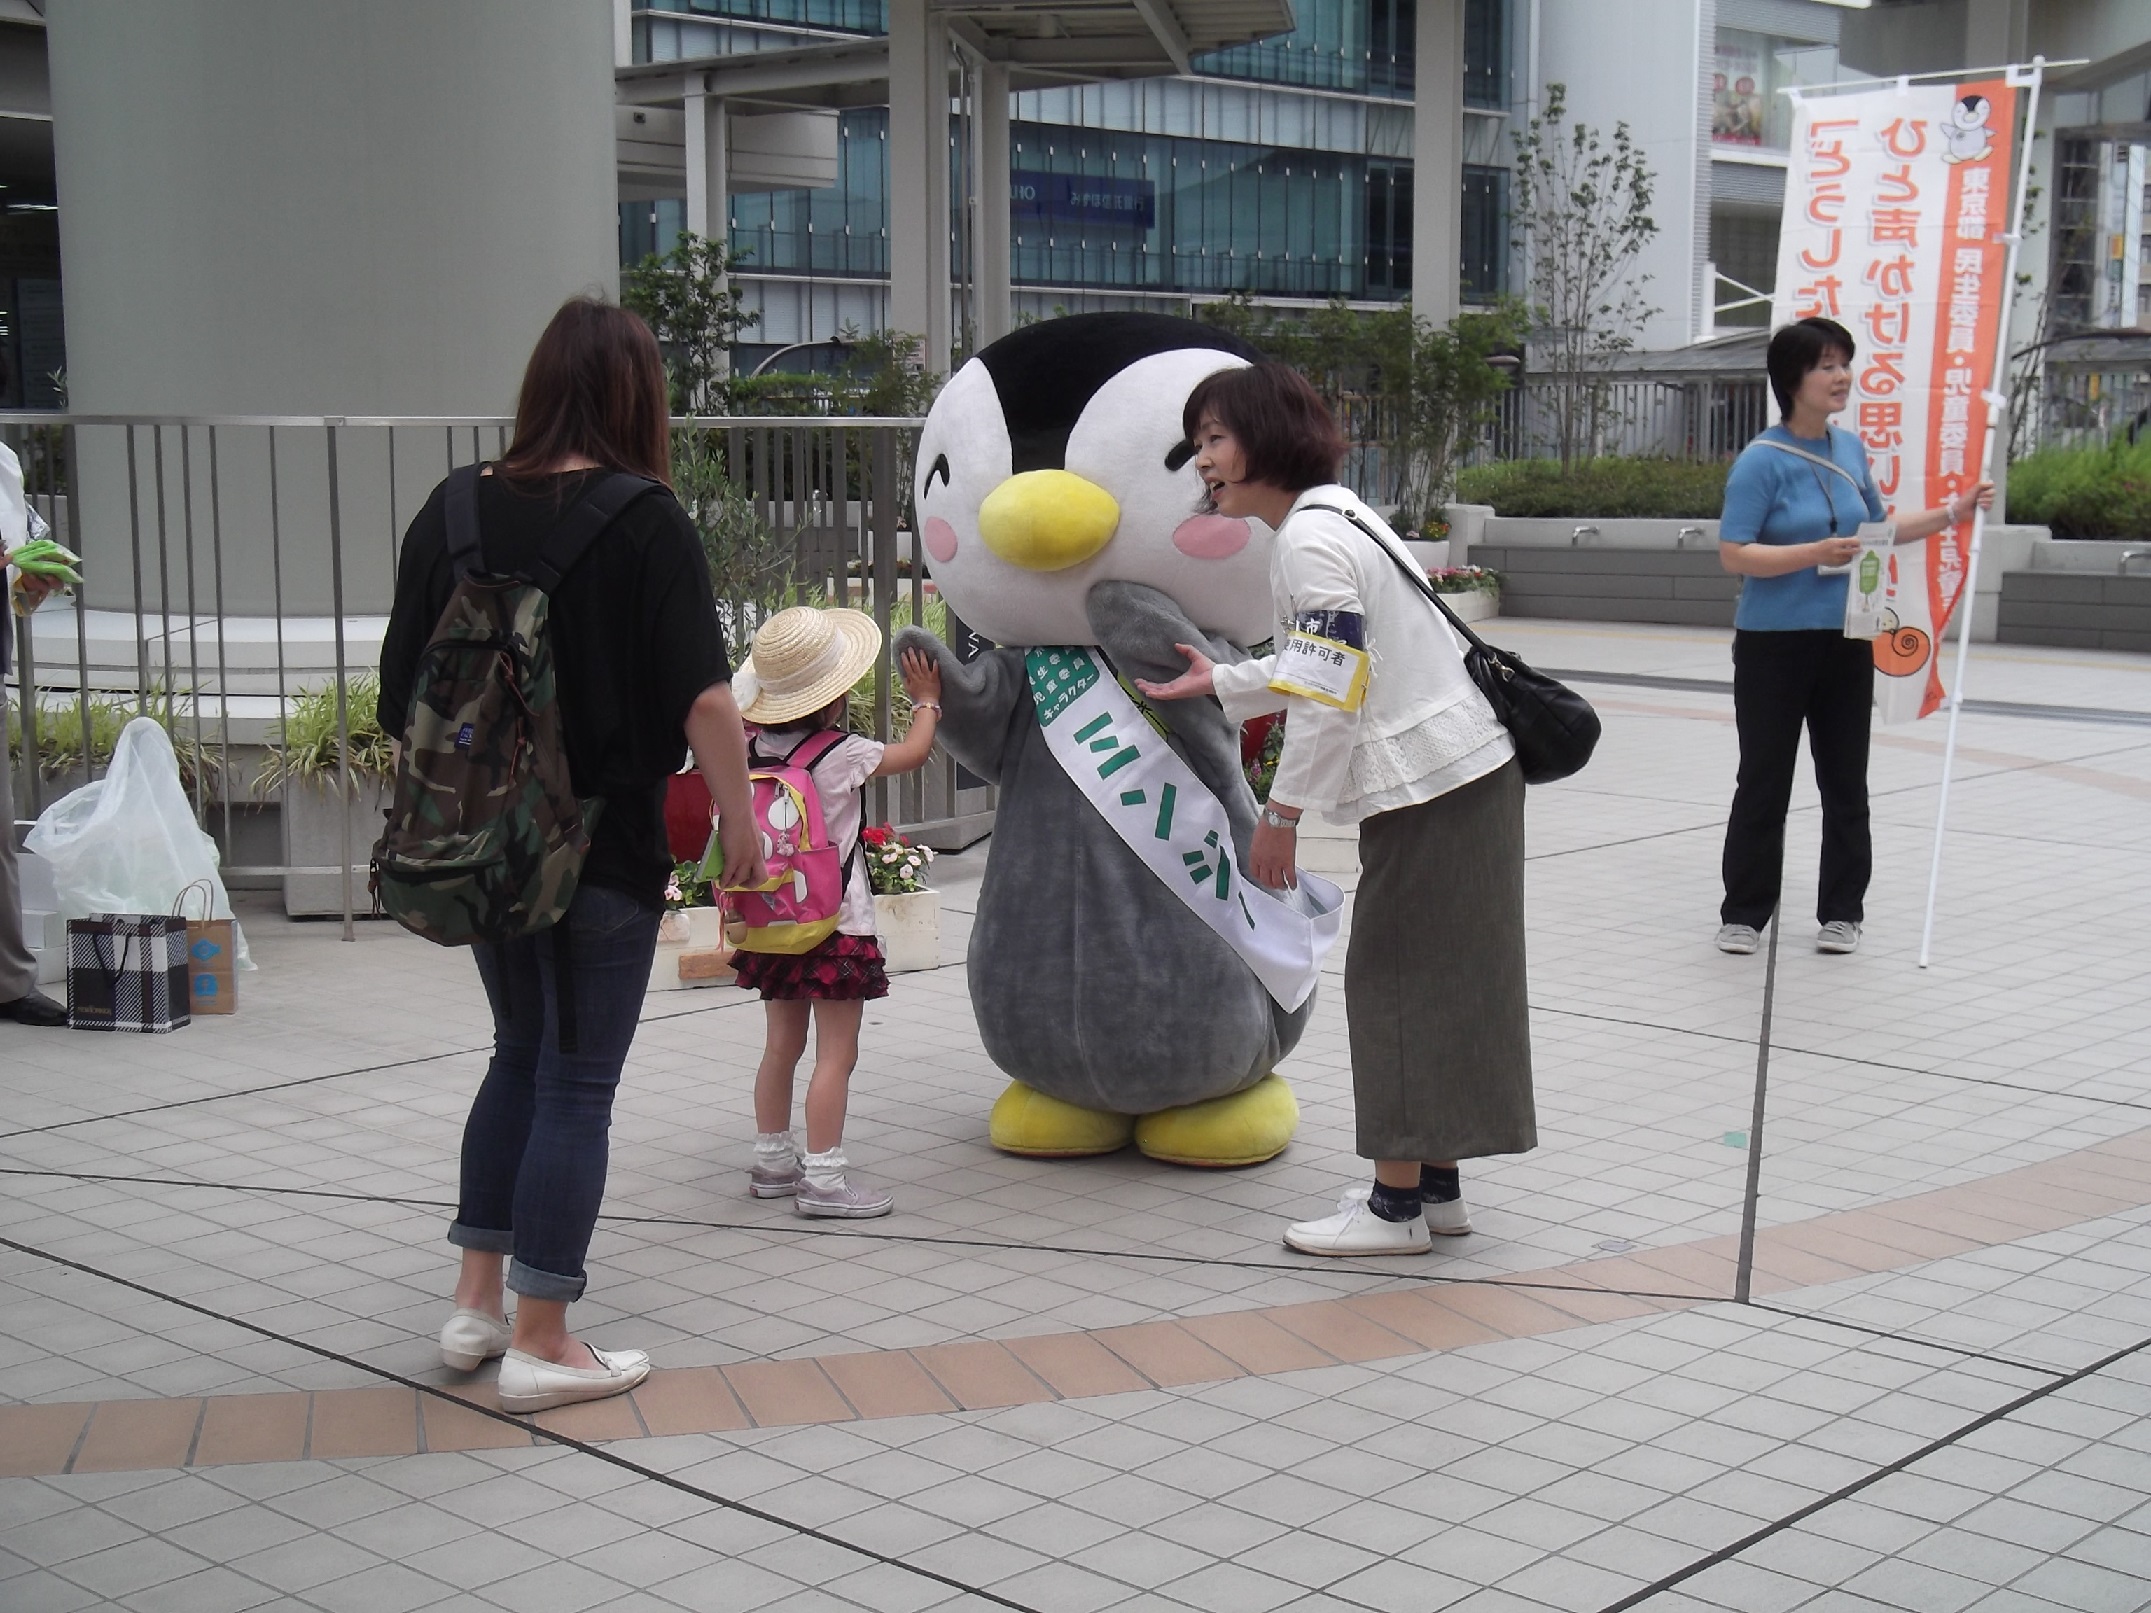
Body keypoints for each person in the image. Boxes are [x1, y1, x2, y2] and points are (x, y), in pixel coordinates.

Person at [377, 297, 765, 1414]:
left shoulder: (451, 509)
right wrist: (738, 829)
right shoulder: (645, 519)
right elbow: (703, 697)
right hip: (603, 844)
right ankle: (544, 1336)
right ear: (641, 396)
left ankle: (476, 1297)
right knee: (577, 1084)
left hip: (485, 845)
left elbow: (399, 683)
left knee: (517, 1052)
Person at [1135, 363, 1535, 1258]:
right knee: (1445, 980)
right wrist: (1227, 679)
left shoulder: (1306, 540)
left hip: (1434, 782)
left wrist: (1280, 814)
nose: (1202, 462)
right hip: (1463, 773)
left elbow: (1328, 696)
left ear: (1266, 437)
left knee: (1393, 980)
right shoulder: (1340, 512)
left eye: (1214, 440)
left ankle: (1394, 1210)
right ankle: (1435, 1188)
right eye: (1197, 443)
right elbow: (1328, 664)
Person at [1716, 317, 1994, 958]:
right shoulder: (1761, 462)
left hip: (1845, 638)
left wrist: (1954, 511)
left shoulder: (1851, 451)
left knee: (1846, 779)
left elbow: (1878, 530)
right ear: (1793, 379)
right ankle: (1744, 913)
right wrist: (1813, 552)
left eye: (1845, 363)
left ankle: (1843, 911)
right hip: (1773, 644)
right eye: (1826, 365)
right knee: (1764, 778)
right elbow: (1734, 554)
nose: (1842, 376)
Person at [729, 606, 942, 1218]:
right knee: (835, 1054)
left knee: (780, 1047)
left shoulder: (749, 744)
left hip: (773, 919)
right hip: (835, 923)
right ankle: (823, 1179)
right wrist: (926, 699)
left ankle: (772, 1162)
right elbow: (916, 752)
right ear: (836, 693)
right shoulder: (843, 752)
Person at [1, 442, 67, 1028]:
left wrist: (31, 582)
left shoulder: (3, 463)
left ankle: (8, 983)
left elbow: (19, 560)